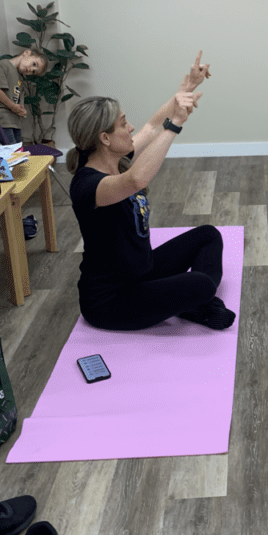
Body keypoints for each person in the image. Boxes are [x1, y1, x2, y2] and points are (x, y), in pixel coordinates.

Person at [67, 53, 235, 332]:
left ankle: (191, 303)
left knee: (208, 236)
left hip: (142, 271)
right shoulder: (88, 185)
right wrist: (176, 124)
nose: (130, 127)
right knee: (202, 284)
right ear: (104, 139)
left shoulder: (115, 158)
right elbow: (135, 180)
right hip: (111, 301)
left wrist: (187, 89)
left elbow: (151, 127)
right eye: (123, 123)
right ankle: (199, 303)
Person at [0, 49, 47, 143]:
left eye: (34, 72)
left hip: (13, 121)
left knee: (18, 153)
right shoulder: (3, 65)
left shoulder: (19, 77)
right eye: (34, 64)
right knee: (12, 153)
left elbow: (16, 98)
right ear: (26, 53)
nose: (31, 70)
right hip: (1, 119)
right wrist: (12, 106)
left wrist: (21, 109)